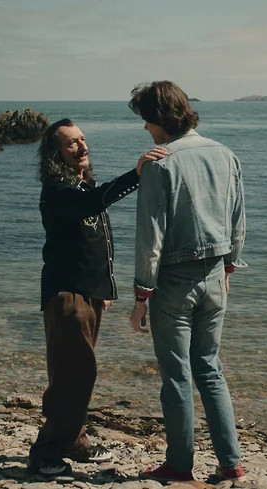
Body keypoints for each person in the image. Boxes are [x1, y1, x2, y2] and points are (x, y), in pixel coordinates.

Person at [29, 118, 166, 478]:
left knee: (80, 374)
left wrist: (104, 290)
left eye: (83, 139)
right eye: (71, 143)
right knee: (72, 375)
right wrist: (136, 174)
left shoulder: (79, 186)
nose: (82, 147)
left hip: (87, 293)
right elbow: (92, 204)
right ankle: (44, 452)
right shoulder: (59, 189)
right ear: (56, 154)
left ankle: (74, 441)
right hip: (66, 294)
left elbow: (95, 244)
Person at [128, 81, 248, 483]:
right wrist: (228, 269)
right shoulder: (225, 154)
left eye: (147, 119)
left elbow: (150, 238)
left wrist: (141, 294)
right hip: (215, 275)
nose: (145, 127)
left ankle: (180, 466)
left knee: (177, 376)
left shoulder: (160, 164)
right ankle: (231, 464)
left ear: (161, 118)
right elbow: (238, 221)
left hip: (174, 282)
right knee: (210, 369)